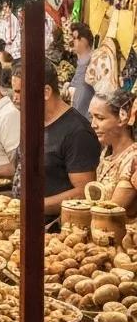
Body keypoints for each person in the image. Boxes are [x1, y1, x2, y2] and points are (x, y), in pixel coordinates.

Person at [9, 60, 100, 222]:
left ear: (46, 92)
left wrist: (33, 206)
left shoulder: (77, 131)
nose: (15, 98)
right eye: (14, 91)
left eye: (20, 92)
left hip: (54, 228)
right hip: (22, 221)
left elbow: (84, 191)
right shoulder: (33, 120)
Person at [88, 88, 137, 217]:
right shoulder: (107, 153)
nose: (93, 124)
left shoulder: (133, 159)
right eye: (91, 117)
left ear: (122, 119)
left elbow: (110, 211)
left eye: (100, 118)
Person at [69, 23, 96, 118]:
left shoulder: (91, 62)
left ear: (84, 41)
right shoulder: (82, 62)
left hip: (84, 117)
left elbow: (83, 94)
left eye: (75, 38)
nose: (72, 41)